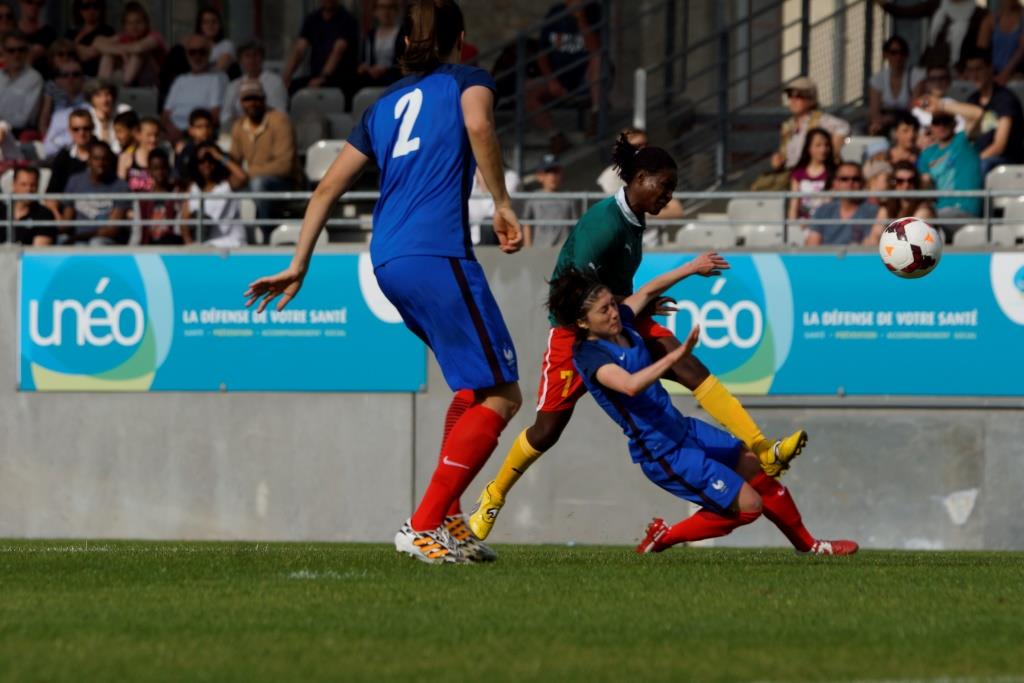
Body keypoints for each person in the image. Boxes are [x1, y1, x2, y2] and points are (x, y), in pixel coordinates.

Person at [246, 0, 523, 565]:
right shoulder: (468, 80)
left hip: (388, 258)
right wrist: (501, 201)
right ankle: (423, 525)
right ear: (460, 38)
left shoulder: (383, 106)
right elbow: (478, 125)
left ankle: (449, 522)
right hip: (436, 250)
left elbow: (326, 188)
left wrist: (299, 263)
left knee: (472, 389)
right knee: (503, 394)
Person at [468, 133, 807, 543]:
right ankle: (495, 493)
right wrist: (629, 302)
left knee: (687, 364)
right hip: (577, 330)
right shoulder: (602, 225)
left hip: (618, 315)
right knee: (546, 430)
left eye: (672, 189)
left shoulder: (634, 219)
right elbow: (579, 295)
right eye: (664, 186)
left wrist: (640, 302)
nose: (669, 196)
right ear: (640, 178)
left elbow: (614, 292)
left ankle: (761, 446)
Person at [547, 265, 858, 556]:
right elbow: (630, 385)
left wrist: (694, 266)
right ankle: (665, 537)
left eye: (613, 304)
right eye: (604, 310)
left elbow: (648, 290)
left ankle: (811, 546)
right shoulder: (590, 356)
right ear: (583, 322)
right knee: (750, 507)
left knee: (753, 464)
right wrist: (677, 355)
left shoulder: (623, 324)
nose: (614, 312)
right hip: (663, 453)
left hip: (684, 429)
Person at [527, 0, 603, 153]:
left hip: (585, 79)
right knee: (527, 90)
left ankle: (597, 116)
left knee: (598, 60)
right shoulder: (555, 13)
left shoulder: (594, 11)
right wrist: (552, 81)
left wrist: (581, 19)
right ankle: (555, 136)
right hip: (560, 79)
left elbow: (595, 50)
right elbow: (542, 55)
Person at [229, 79, 297, 237]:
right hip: (253, 181)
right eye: (247, 99)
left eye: (256, 98)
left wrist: (246, 174)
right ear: (241, 103)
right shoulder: (239, 126)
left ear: (264, 99)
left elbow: (285, 166)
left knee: (258, 184)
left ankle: (266, 234)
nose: (252, 103)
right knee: (224, 186)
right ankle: (235, 236)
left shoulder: (280, 121)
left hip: (285, 183)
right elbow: (234, 160)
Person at [595, 127, 685, 245]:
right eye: (636, 146)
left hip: (655, 245)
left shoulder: (657, 174)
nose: (643, 150)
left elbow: (677, 210)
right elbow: (622, 212)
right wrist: (654, 209)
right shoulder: (610, 177)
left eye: (646, 145)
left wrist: (644, 209)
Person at [960, 48, 1024, 175]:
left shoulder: (1005, 99)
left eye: (978, 69)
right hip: (977, 157)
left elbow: (999, 146)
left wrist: (973, 161)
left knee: (981, 166)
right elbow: (967, 136)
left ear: (990, 68)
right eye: (970, 70)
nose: (974, 75)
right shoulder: (972, 100)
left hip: (1004, 160)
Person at [917, 111, 982, 234]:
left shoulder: (962, 141)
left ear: (954, 124)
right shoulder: (927, 154)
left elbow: (977, 114)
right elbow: (924, 183)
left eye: (946, 122)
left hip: (964, 210)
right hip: (939, 211)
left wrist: (941, 106)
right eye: (937, 123)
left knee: (924, 220)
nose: (941, 126)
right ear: (931, 127)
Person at [875, 0, 985, 72]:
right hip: (931, 66)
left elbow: (980, 50)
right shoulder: (937, 6)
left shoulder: (977, 14)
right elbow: (905, 12)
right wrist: (884, 4)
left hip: (959, 70)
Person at [281, 0, 359, 97]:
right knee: (290, 89)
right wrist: (285, 78)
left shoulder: (348, 20)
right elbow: (300, 49)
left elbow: (339, 50)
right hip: (315, 76)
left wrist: (323, 77)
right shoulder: (312, 19)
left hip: (340, 80)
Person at [61, 139, 131, 244]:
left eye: (105, 159)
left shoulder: (121, 187)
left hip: (104, 240)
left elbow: (112, 230)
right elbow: (67, 222)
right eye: (96, 159)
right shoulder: (75, 181)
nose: (100, 163)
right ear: (89, 160)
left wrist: (78, 237)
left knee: (96, 242)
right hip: (78, 239)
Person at [162, 35, 228, 144]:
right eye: (192, 52)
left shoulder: (217, 78)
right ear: (186, 54)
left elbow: (215, 114)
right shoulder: (180, 80)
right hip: (173, 133)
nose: (197, 56)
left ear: (209, 53)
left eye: (202, 52)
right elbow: (166, 113)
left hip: (198, 134)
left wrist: (187, 133)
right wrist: (169, 130)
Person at [181, 142, 247, 247]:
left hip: (232, 244)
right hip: (205, 246)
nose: (206, 164)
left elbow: (242, 177)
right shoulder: (193, 188)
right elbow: (184, 220)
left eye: (210, 159)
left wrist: (218, 156)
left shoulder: (228, 184)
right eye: (201, 161)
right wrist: (189, 244)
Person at [94, 1, 166, 88]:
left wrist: (118, 50)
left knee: (138, 54)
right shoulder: (124, 36)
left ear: (146, 23)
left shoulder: (154, 36)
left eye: (138, 22)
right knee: (108, 54)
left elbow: (139, 47)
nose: (134, 27)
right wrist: (118, 51)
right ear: (124, 26)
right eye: (129, 23)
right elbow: (97, 42)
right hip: (130, 76)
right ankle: (101, 87)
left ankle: (123, 85)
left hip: (153, 81)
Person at [805, 162, 878, 245]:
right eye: (844, 179)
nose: (850, 183)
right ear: (836, 184)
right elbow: (812, 246)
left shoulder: (873, 212)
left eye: (856, 179)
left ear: (862, 183)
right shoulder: (823, 211)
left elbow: (871, 245)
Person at [220, 41, 288, 129]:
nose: (252, 60)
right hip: (240, 129)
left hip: (269, 128)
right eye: (247, 56)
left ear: (262, 58)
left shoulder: (275, 81)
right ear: (240, 60)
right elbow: (225, 116)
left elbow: (280, 113)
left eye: (256, 55)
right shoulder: (233, 85)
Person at [867, 160, 936, 245]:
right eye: (900, 181)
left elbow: (913, 240)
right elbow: (875, 235)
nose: (906, 185)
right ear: (893, 183)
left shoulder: (924, 209)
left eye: (910, 180)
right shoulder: (886, 208)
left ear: (916, 183)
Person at [868, 36, 926, 135]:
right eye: (893, 52)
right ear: (885, 55)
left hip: (909, 121)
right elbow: (874, 112)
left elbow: (914, 107)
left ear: (907, 55)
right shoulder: (878, 79)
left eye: (902, 52)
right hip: (885, 122)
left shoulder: (916, 76)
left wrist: (893, 118)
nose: (898, 57)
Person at [522, 153, 576, 247]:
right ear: (540, 176)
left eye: (555, 171)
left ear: (561, 174)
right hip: (539, 249)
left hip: (562, 249)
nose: (552, 176)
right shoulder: (534, 198)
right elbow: (526, 224)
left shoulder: (569, 198)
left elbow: (576, 226)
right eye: (548, 172)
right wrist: (528, 248)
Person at [135, 147, 185, 244]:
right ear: (149, 171)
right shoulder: (142, 199)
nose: (160, 172)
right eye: (155, 169)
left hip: (171, 244)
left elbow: (178, 228)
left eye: (163, 168)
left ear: (169, 169)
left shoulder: (177, 195)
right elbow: (137, 231)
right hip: (148, 246)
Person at [0, 166, 58, 245]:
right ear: (14, 185)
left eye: (33, 185)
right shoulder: (1, 211)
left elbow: (39, 249)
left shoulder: (44, 215)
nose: (28, 189)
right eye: (23, 184)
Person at [788, 127, 836, 222]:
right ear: (808, 148)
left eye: (826, 145)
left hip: (826, 223)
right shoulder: (798, 173)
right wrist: (793, 226)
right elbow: (794, 205)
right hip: (803, 223)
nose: (823, 149)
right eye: (818, 145)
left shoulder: (834, 172)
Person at [355, 0, 405, 90]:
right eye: (382, 7)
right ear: (375, 11)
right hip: (372, 81)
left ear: (396, 11)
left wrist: (386, 69)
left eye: (390, 7)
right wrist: (365, 67)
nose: (386, 12)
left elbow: (404, 63)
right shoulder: (370, 35)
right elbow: (365, 60)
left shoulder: (403, 34)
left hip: (394, 80)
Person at [0, 31, 44, 134]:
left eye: (21, 50)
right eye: (11, 50)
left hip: (18, 134)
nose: (17, 54)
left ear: (27, 51)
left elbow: (24, 120)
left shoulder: (34, 78)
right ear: (3, 51)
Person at [46, 107, 93, 200]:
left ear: (93, 128)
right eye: (76, 129)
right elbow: (51, 196)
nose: (81, 133)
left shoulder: (104, 154)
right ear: (69, 130)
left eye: (86, 128)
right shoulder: (62, 157)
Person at [38, 51, 86, 138]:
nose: (70, 78)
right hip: (58, 139)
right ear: (58, 80)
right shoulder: (52, 89)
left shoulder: (90, 93)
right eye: (65, 75)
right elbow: (44, 120)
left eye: (76, 74)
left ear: (83, 78)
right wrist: (48, 140)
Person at [978, 0, 1024, 86]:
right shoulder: (991, 19)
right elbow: (981, 49)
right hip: (993, 71)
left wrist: (1005, 73)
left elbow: (1022, 49)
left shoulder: (1022, 17)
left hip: (1017, 72)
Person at [65, 0, 115, 78]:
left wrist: (75, 48)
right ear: (79, 9)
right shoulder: (71, 32)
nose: (91, 10)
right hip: (69, 76)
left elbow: (91, 53)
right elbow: (64, 54)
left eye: (95, 6)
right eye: (86, 6)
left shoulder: (107, 31)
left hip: (93, 75)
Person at [117, 115, 160, 191]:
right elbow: (120, 188)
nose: (153, 139)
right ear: (138, 135)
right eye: (149, 135)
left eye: (156, 135)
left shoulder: (162, 158)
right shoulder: (126, 157)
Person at [173, 107, 216, 183]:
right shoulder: (185, 151)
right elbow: (180, 173)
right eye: (199, 127)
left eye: (208, 126)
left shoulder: (216, 150)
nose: (205, 130)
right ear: (191, 130)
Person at [16, 0, 55, 72]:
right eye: (29, 2)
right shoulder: (12, 30)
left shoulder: (49, 33)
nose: (34, 7)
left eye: (39, 4)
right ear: (21, 3)